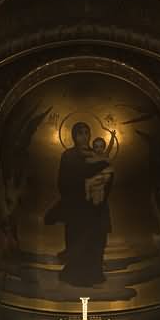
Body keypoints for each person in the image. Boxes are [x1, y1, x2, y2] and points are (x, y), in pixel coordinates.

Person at [44, 121, 113, 287]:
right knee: (76, 239)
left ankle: (94, 273)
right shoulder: (68, 155)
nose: (84, 136)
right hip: (76, 206)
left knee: (94, 239)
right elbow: (62, 181)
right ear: (74, 136)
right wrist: (81, 186)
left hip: (94, 206)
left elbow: (108, 174)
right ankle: (74, 273)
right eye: (80, 133)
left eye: (86, 133)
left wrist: (101, 184)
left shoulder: (96, 153)